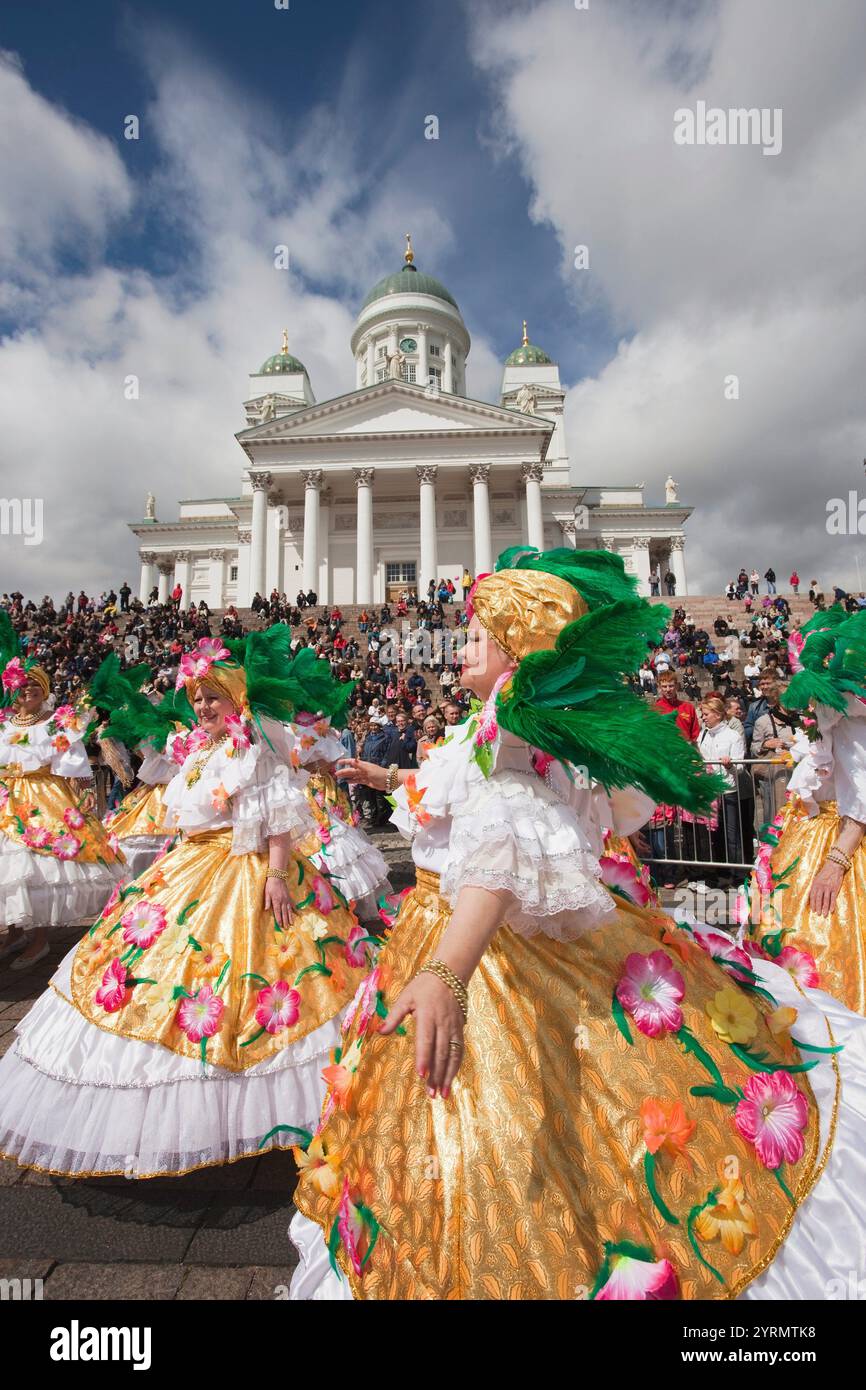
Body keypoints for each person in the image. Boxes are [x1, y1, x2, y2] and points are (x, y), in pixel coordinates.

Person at [288, 545, 865, 1301]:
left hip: (490, 948)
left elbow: (500, 852)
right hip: (460, 925)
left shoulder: (517, 744)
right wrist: (385, 776)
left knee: (533, 1126)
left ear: (517, 658)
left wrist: (446, 972)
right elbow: (459, 795)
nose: (457, 649)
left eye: (477, 640)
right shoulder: (496, 727)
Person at [0, 629, 372, 1177]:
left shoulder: (254, 743)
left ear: (235, 699)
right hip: (192, 867)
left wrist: (274, 876)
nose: (202, 708)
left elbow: (274, 818)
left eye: (212, 698)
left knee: (260, 983)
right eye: (197, 700)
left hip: (246, 869)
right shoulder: (200, 749)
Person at [748, 607, 866, 1012]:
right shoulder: (834, 718)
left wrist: (835, 863)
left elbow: (862, 801)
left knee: (826, 943)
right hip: (817, 831)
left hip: (846, 842)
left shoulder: (853, 720)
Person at [0, 627, 126, 971]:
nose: (28, 690)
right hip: (5, 794)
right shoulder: (4, 722)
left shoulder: (57, 723)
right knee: (10, 872)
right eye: (22, 685)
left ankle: (40, 939)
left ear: (45, 690)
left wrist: (84, 796)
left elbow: (74, 763)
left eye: (35, 684)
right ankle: (15, 931)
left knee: (38, 869)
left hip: (42, 796)